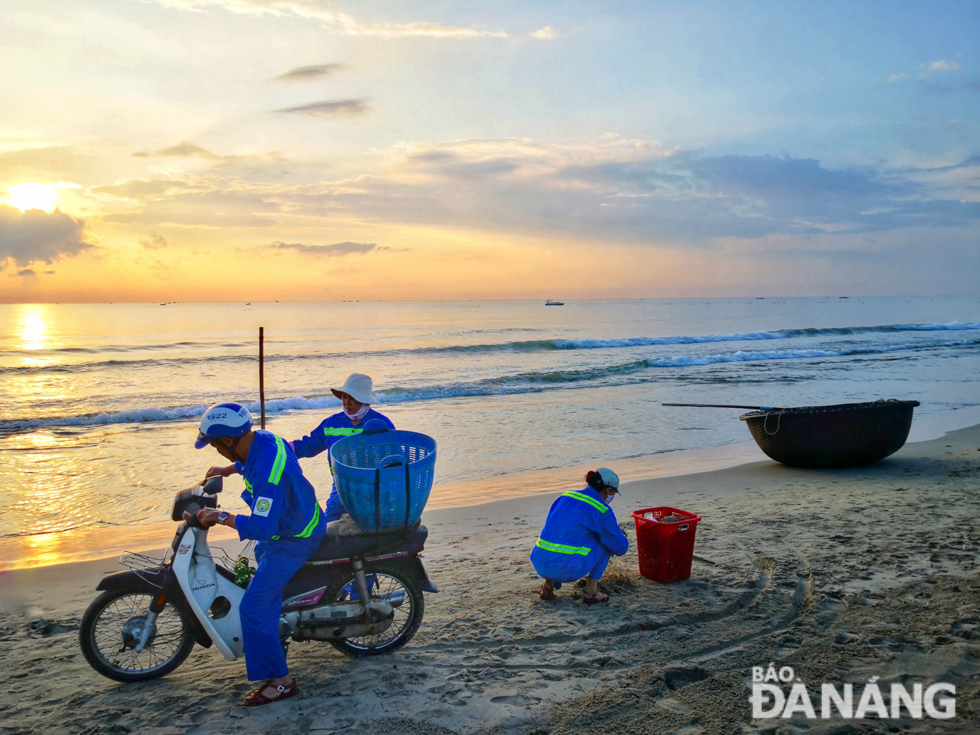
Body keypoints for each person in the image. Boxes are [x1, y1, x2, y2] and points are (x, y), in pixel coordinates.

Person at [193, 402, 326, 707]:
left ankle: (281, 683)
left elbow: (262, 526)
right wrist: (227, 468)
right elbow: (251, 461)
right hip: (298, 518)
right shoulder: (263, 438)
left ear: (228, 441)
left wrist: (221, 517)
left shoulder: (267, 473)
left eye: (216, 447)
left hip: (294, 538)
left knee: (253, 608)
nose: (217, 451)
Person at [290, 373, 395, 523]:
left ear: (364, 400)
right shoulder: (332, 423)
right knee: (329, 526)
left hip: (372, 490)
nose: (346, 402)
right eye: (344, 397)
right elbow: (308, 445)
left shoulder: (382, 425)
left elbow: (394, 460)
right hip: (340, 489)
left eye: (352, 398)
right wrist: (283, 448)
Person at [530, 468, 629, 604]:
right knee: (605, 541)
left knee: (561, 534)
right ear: (609, 490)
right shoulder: (601, 509)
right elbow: (620, 547)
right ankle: (591, 591)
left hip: (539, 562)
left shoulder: (566, 496)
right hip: (566, 569)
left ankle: (548, 584)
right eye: (612, 493)